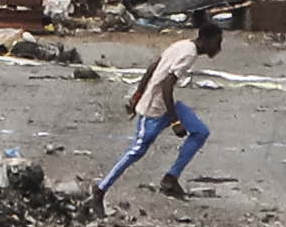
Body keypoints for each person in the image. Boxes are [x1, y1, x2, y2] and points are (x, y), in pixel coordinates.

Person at [93, 17, 221, 210]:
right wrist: (175, 121)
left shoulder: (182, 44)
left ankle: (171, 178)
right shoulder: (188, 54)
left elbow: (154, 65)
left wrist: (137, 93)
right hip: (153, 109)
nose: (218, 48)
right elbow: (167, 86)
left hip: (164, 105)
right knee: (136, 151)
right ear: (206, 39)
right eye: (217, 43)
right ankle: (100, 190)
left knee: (200, 131)